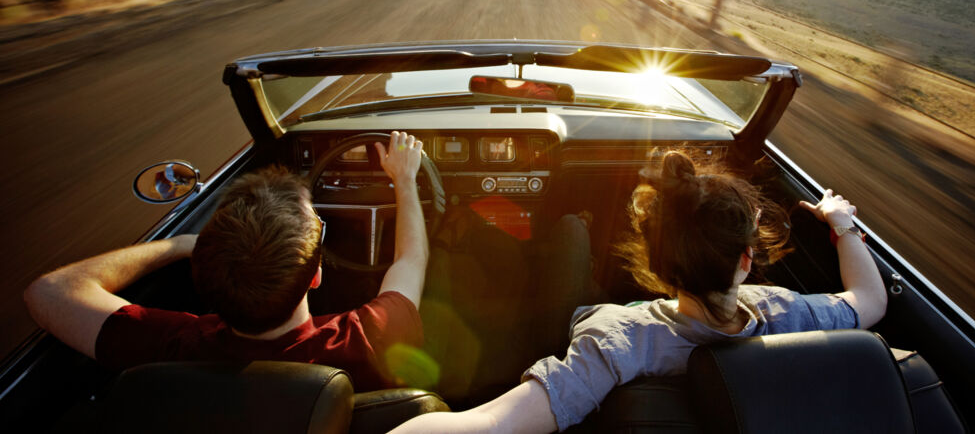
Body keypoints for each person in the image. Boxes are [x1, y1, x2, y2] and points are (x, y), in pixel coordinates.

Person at [389, 150, 888, 432]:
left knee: (567, 234)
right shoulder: (788, 314)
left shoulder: (615, 340)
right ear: (745, 260)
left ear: (655, 263)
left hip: (576, 325)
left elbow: (489, 427)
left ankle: (496, 231)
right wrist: (843, 227)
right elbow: (870, 300)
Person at [24, 131, 429, 392]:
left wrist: (180, 245)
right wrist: (404, 181)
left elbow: (48, 291)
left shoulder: (170, 348)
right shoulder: (369, 339)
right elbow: (411, 259)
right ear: (317, 275)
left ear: (203, 274)